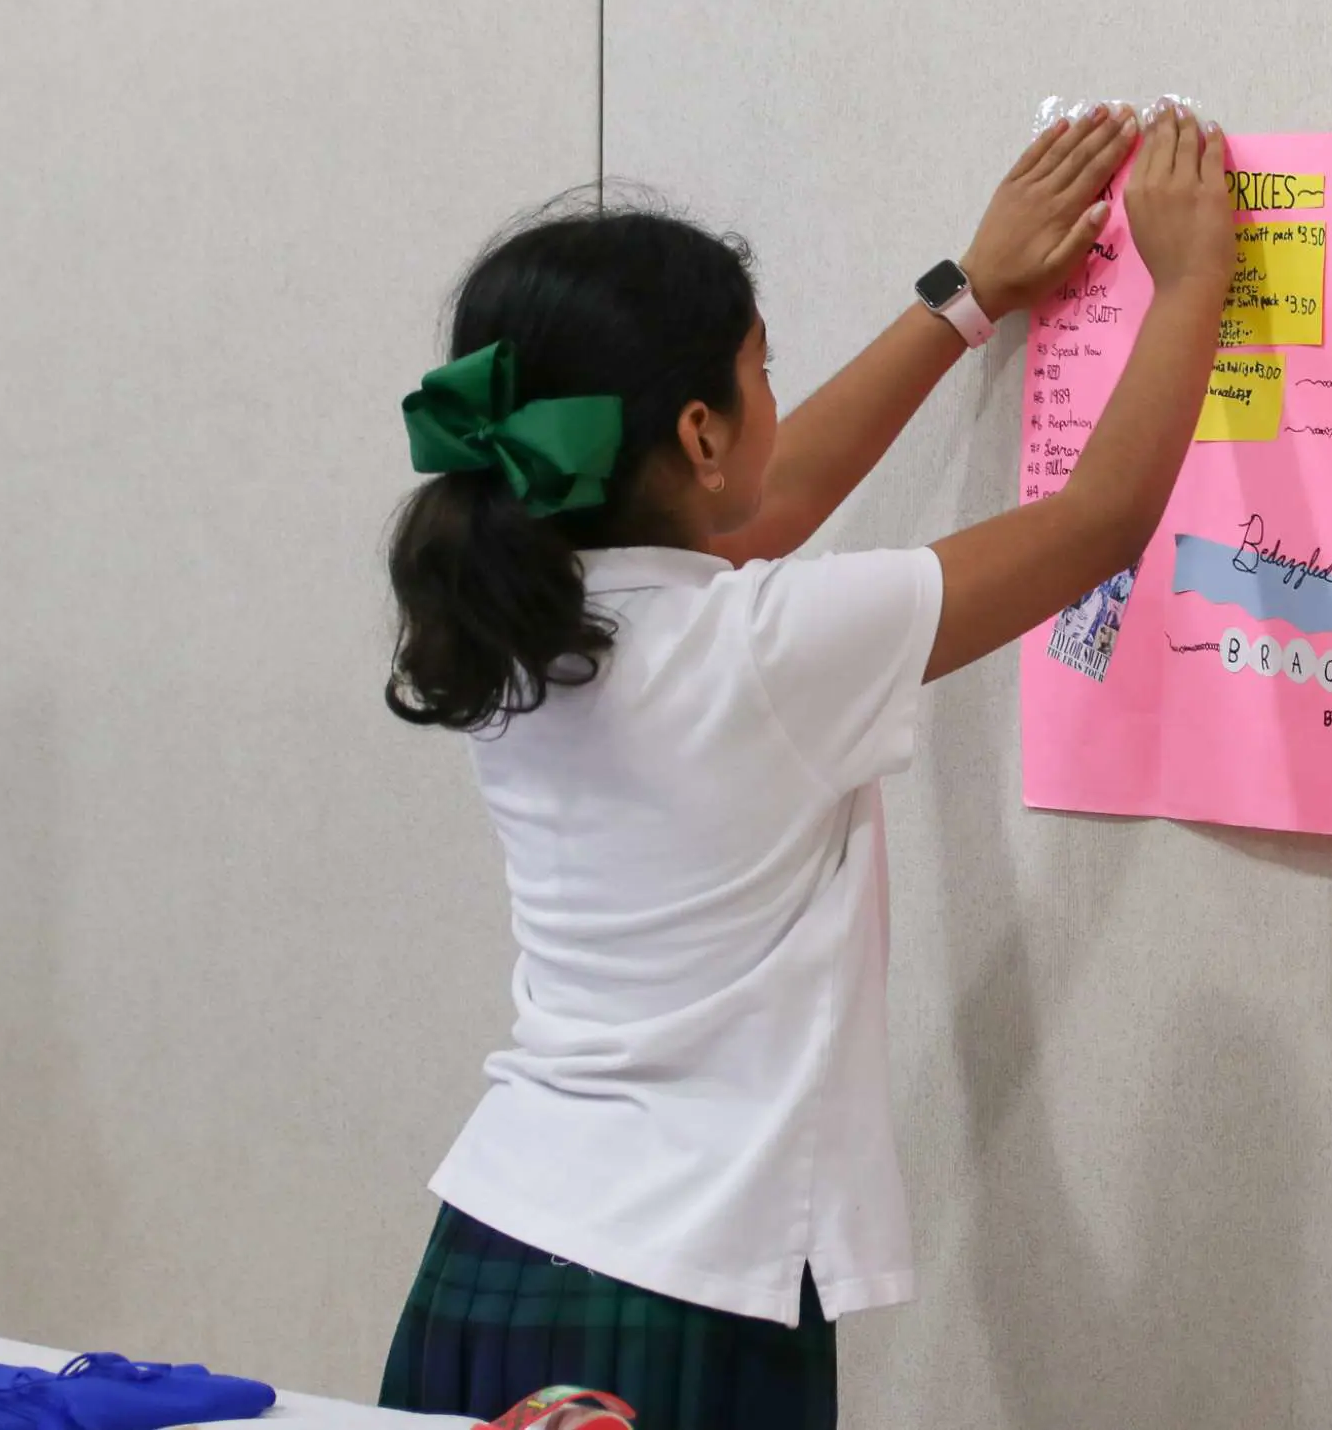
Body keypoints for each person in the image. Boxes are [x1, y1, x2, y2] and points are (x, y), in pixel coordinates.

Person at [374, 103, 1233, 1429]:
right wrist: (1193, 281)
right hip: (680, 1294)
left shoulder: (518, 626)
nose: (778, 397)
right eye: (764, 372)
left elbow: (763, 513)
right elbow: (1100, 521)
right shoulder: (761, 650)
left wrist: (970, 296)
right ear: (702, 433)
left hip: (488, 1257)